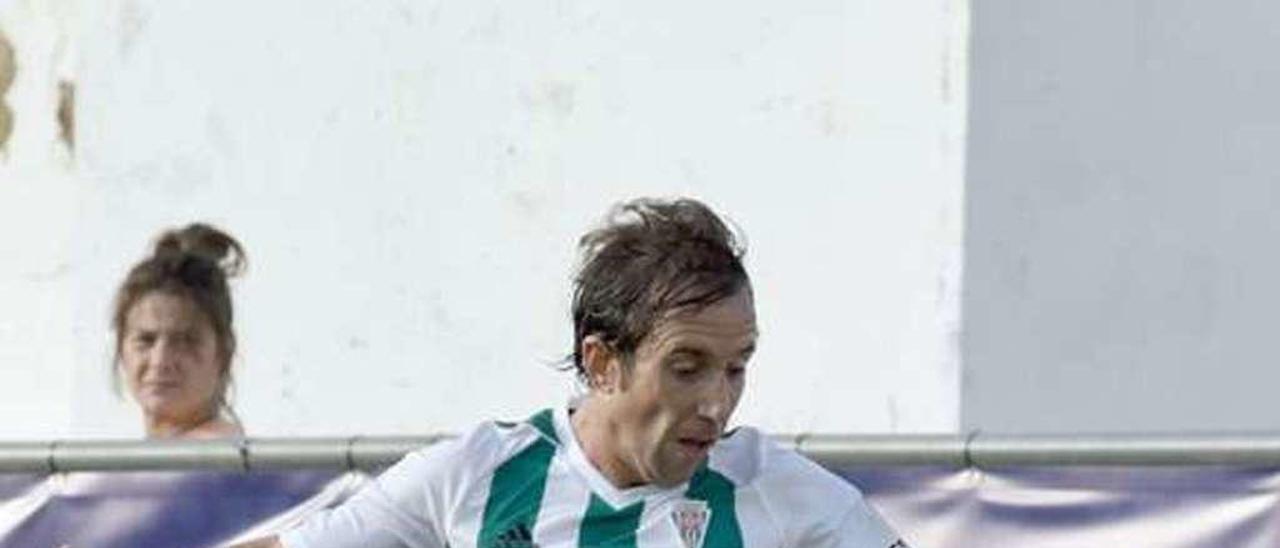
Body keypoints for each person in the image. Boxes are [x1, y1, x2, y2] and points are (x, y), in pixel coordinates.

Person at [243, 197, 906, 547]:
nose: (717, 403)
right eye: (687, 367)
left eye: (736, 368)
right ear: (602, 362)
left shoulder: (776, 489)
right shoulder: (477, 474)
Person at [112, 222, 247, 439]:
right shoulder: (126, 467)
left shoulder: (223, 459)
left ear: (223, 353)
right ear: (121, 349)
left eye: (185, 341)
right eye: (146, 340)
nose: (160, 360)